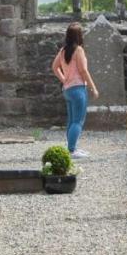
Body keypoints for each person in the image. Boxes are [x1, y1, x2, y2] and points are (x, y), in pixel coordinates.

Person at [51, 22, 98, 158]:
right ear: (79, 36)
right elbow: (83, 70)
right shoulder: (79, 50)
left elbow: (54, 67)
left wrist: (64, 79)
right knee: (78, 121)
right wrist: (93, 87)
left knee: (72, 121)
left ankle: (72, 148)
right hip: (78, 89)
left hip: (67, 90)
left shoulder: (63, 51)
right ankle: (72, 150)